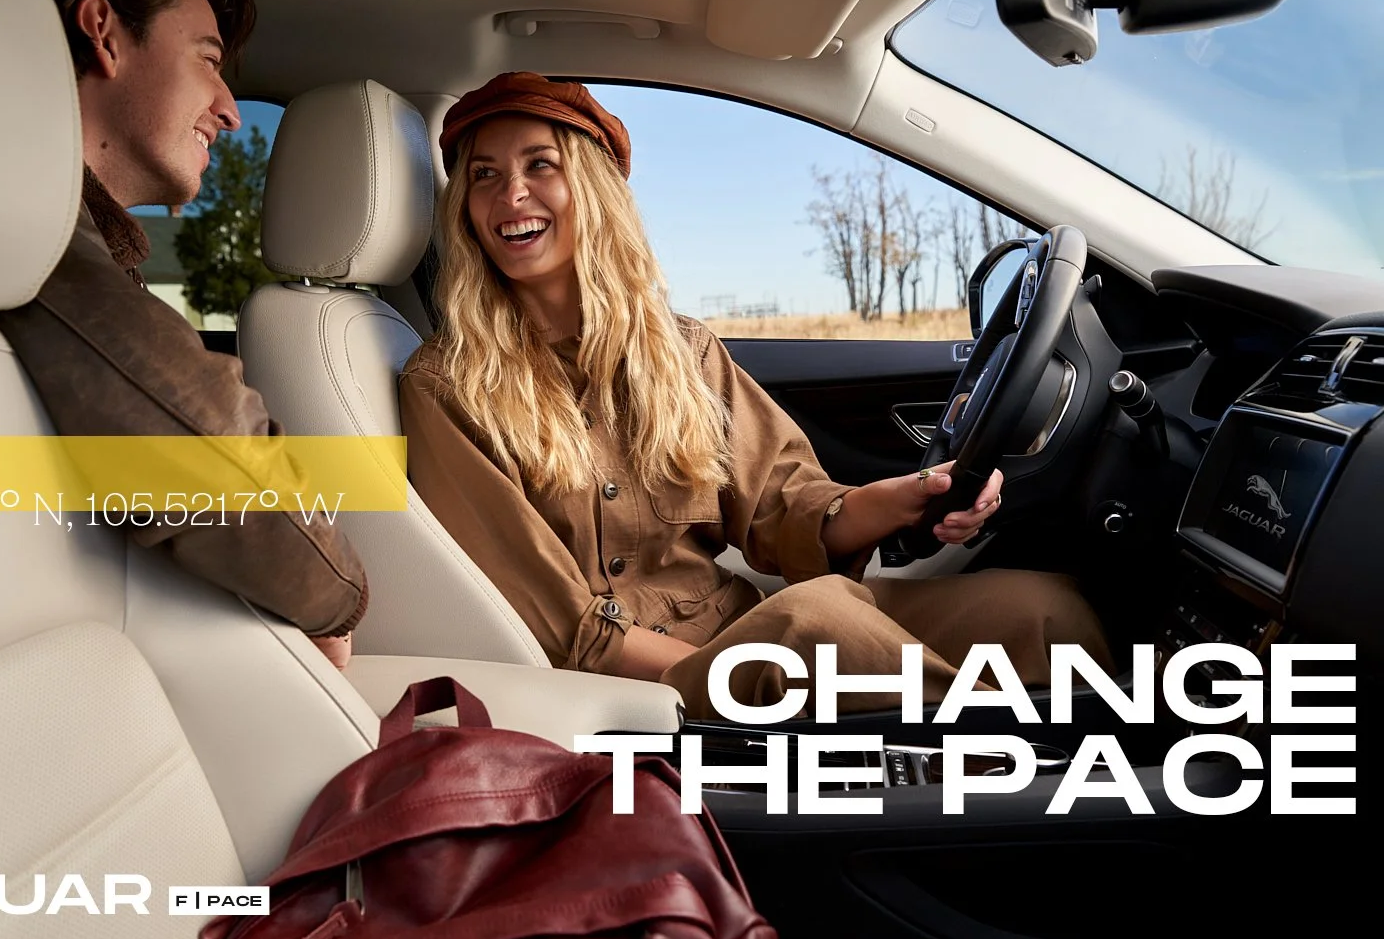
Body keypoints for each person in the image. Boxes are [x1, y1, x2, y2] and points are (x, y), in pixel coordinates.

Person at [398, 72, 1112, 718]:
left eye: (538, 165)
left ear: (592, 189)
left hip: (740, 625)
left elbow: (779, 505)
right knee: (817, 623)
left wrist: (901, 499)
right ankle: (1035, 779)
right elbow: (560, 624)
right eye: (484, 175)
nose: (509, 195)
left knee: (1041, 610)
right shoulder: (448, 389)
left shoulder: (682, 350)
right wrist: (739, 669)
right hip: (640, 678)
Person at [0, 0, 360, 668]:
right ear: (105, 31)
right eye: (207, 59)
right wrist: (339, 596)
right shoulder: (30, 239)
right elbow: (207, 444)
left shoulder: (44, 240)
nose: (227, 108)